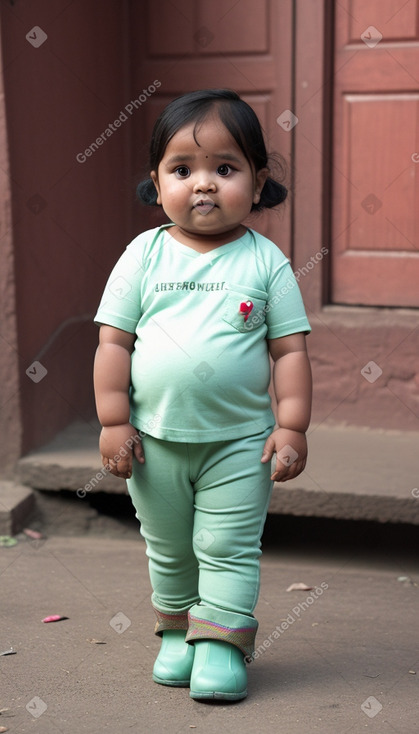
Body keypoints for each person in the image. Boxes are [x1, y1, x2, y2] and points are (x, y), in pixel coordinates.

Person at [93, 89, 312, 702]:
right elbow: (114, 344)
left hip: (241, 445)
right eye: (183, 170)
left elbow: (289, 352)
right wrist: (114, 421)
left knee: (226, 544)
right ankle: (177, 629)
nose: (204, 185)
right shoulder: (142, 255)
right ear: (157, 182)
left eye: (226, 168)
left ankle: (219, 643)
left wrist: (290, 427)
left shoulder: (266, 262)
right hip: (152, 441)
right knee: (166, 544)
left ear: (259, 181)